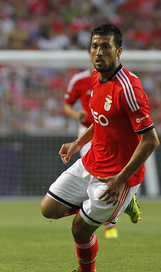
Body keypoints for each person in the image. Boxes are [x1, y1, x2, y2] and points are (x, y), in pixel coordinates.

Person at [41, 22, 159, 272]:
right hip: (91, 161)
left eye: (106, 46)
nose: (99, 52)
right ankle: (115, 208)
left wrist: (120, 179)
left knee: (80, 229)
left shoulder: (128, 90)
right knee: (48, 209)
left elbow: (151, 141)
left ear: (119, 51)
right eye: (95, 46)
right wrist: (76, 142)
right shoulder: (95, 77)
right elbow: (100, 119)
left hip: (116, 177)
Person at [63, 66, 142, 239]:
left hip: (109, 132)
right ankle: (110, 214)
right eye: (94, 47)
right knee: (96, 175)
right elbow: (67, 105)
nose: (98, 53)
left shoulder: (123, 84)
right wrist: (77, 115)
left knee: (103, 177)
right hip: (88, 132)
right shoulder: (80, 79)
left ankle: (109, 219)